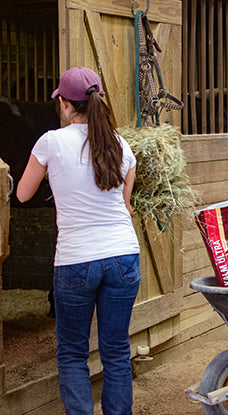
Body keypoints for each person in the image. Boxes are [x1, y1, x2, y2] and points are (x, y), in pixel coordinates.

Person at [17, 66, 141, 414]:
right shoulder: (120, 145)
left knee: (72, 353)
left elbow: (24, 194)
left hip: (76, 260)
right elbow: (125, 205)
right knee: (116, 350)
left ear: (65, 105)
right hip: (123, 257)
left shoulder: (51, 142)